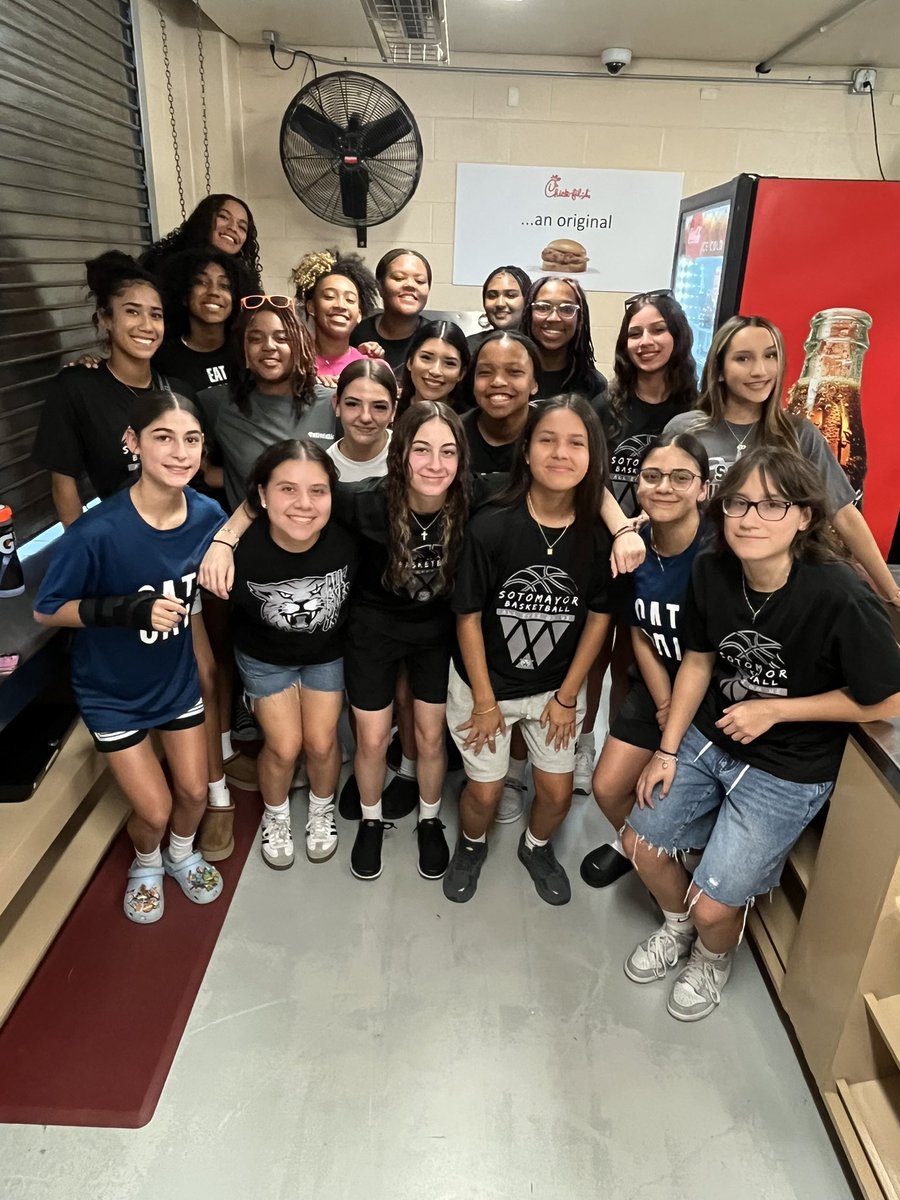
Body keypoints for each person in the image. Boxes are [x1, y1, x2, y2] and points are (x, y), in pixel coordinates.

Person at [622, 446, 900, 1021]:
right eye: (740, 503)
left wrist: (777, 711)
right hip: (709, 738)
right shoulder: (711, 569)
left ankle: (712, 956)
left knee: (714, 907)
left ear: (804, 516)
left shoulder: (839, 592)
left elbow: (890, 697)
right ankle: (675, 927)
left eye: (774, 505)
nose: (751, 518)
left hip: (787, 768)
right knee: (641, 844)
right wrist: (667, 750)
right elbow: (698, 661)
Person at [33, 391, 227, 924]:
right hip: (112, 694)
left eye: (191, 440)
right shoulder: (99, 531)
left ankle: (181, 855)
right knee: (155, 809)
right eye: (163, 437)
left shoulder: (209, 516)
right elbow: (47, 609)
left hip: (176, 681)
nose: (180, 452)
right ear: (132, 442)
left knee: (192, 794)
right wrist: (125, 610)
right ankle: (147, 861)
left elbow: (239, 530)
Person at [443, 395, 615, 906]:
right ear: (526, 449)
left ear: (593, 456)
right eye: (547, 440)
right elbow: (468, 617)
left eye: (576, 443)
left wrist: (567, 698)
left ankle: (536, 847)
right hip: (484, 683)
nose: (561, 453)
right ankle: (471, 847)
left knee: (558, 793)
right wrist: (483, 699)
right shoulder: (492, 523)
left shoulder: (598, 536)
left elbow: (599, 619)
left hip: (553, 690)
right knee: (485, 792)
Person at [664, 314, 899, 608]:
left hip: (775, 593)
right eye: (743, 359)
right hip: (695, 584)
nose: (760, 370)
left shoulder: (801, 435)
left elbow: (844, 514)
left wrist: (892, 590)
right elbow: (663, 504)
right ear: (720, 369)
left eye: (770, 356)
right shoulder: (684, 430)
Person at [336, 402, 472, 882]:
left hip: (434, 636)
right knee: (372, 739)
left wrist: (622, 527)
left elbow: (561, 487)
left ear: (461, 459)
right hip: (372, 631)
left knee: (432, 736)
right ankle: (372, 822)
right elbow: (288, 487)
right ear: (401, 454)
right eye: (422, 450)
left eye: (448, 452)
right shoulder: (364, 500)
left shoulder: (473, 498)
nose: (435, 465)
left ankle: (429, 819)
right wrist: (227, 540)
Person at [572, 289, 698, 796]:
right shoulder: (607, 404)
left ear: (677, 336)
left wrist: (650, 523)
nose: (646, 341)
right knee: (599, 649)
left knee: (636, 653)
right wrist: (625, 527)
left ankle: (623, 746)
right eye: (635, 333)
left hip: (666, 552)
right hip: (609, 544)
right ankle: (585, 744)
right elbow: (593, 475)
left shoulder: (694, 409)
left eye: (657, 330)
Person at [580, 432, 710, 889]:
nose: (664, 487)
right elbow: (638, 631)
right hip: (658, 680)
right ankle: (637, 843)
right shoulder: (633, 545)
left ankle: (675, 848)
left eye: (681, 478)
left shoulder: (719, 552)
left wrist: (677, 717)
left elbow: (712, 652)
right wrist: (662, 702)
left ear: (704, 488)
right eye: (652, 477)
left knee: (676, 783)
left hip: (716, 695)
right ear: (637, 485)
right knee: (607, 787)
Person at [230, 440, 356, 870]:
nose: (304, 504)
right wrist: (221, 541)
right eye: (287, 489)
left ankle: (321, 812)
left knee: (322, 744)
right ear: (262, 496)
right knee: (284, 747)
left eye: (317, 491)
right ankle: (277, 815)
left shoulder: (348, 534)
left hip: (326, 653)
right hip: (264, 658)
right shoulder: (239, 551)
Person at [209, 295, 336, 512]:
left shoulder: (332, 403)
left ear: (300, 345)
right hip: (251, 539)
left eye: (282, 338)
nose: (269, 346)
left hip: (320, 536)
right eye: (256, 339)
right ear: (243, 348)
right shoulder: (218, 404)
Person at [292, 249, 383, 386]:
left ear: (359, 314)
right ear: (311, 307)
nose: (340, 305)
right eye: (329, 297)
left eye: (350, 300)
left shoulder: (375, 367)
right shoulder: (293, 364)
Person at [460, 330, 541, 478]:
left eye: (514, 372)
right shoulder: (452, 433)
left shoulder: (549, 435)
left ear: (534, 383)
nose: (498, 381)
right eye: (485, 372)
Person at [141, 194, 262, 290]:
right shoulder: (165, 267)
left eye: (242, 227)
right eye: (224, 217)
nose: (233, 228)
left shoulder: (245, 283)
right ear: (204, 219)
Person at [520, 277, 607, 411]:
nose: (554, 318)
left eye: (567, 309)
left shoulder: (594, 385)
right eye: (543, 307)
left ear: (579, 320)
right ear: (528, 315)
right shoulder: (511, 377)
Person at [350, 248, 431, 371]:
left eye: (419, 281)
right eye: (399, 278)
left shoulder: (435, 338)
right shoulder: (357, 333)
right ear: (380, 287)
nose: (410, 285)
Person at [327, 359, 398, 482]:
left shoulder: (410, 456)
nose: (365, 417)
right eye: (353, 404)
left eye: (379, 407)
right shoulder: (324, 468)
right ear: (336, 405)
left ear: (393, 411)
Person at [397, 320, 470, 416]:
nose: (435, 371)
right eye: (426, 358)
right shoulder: (386, 411)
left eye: (449, 363)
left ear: (462, 373)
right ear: (410, 362)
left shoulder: (469, 424)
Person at [466, 265, 533, 355]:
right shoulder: (469, 347)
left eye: (511, 295)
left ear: (527, 300)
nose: (500, 303)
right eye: (492, 296)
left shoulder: (541, 347)